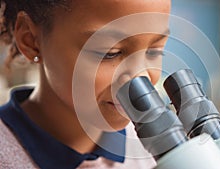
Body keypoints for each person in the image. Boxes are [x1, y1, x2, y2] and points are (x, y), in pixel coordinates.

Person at [0, 0, 171, 168]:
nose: (140, 78)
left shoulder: (152, 150)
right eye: (110, 53)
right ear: (30, 40)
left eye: (153, 51)